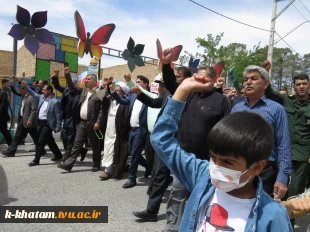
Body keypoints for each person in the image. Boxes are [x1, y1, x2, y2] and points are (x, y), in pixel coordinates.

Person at [150, 73, 293, 231]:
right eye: (213, 158)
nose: (216, 168)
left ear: (257, 167)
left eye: (228, 162)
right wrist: (183, 90)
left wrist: (282, 177)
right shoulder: (202, 176)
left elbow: (284, 145)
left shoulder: (273, 216)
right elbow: (161, 140)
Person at [160, 48, 231, 232]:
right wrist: (166, 64)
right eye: (197, 77)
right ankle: (171, 227)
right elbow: (170, 82)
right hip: (184, 157)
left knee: (200, 197)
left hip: (206, 161)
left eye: (204, 78)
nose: (199, 80)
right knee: (176, 194)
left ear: (214, 80)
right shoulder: (188, 94)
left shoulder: (222, 101)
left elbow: (224, 130)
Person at [232, 65, 292, 200]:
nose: (248, 82)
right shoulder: (236, 108)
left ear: (266, 84)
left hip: (265, 171)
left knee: (261, 210)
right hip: (238, 167)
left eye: (254, 78)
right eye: (246, 79)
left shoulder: (277, 109)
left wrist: (282, 178)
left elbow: (284, 145)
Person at [263, 60, 310, 223]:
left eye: (304, 83)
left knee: (294, 192)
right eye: (298, 84)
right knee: (274, 190)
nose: (302, 86)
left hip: (302, 156)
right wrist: (266, 73)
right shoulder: (287, 101)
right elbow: (270, 93)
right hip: (282, 153)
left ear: (309, 85)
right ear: (294, 87)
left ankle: (289, 224)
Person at [58, 67, 110, 172]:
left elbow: (103, 110)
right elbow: (72, 88)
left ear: (95, 81)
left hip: (93, 124)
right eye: (86, 79)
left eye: (88, 79)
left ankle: (96, 164)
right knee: (77, 144)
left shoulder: (99, 92)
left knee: (96, 146)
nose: (86, 80)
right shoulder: (84, 91)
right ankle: (68, 164)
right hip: (81, 123)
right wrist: (68, 76)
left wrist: (98, 122)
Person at [111, 74, 151, 188]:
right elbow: (123, 101)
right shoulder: (133, 96)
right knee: (132, 152)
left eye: (140, 82)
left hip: (140, 130)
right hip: (131, 130)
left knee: (134, 154)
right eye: (136, 82)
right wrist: (113, 92)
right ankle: (148, 166)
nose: (137, 84)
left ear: (146, 85)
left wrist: (130, 81)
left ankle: (132, 178)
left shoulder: (149, 97)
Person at [21, 82, 63, 166]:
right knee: (49, 140)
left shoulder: (55, 102)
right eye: (42, 90)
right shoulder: (41, 97)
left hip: (47, 124)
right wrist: (25, 86)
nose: (42, 91)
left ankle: (36, 160)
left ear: (49, 91)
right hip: (40, 123)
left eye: (44, 90)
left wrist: (58, 126)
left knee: (40, 141)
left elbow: (58, 116)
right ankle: (58, 155)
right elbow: (32, 93)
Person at [50, 69, 88, 161]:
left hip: (73, 118)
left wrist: (67, 76)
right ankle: (82, 150)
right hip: (66, 118)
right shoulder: (66, 91)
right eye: (69, 85)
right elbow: (57, 86)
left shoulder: (80, 93)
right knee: (64, 136)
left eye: (72, 85)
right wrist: (55, 77)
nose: (70, 87)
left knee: (70, 139)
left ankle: (66, 158)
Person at [98, 81, 130, 180]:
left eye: (118, 91)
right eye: (114, 90)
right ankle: (119, 166)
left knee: (114, 149)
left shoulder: (125, 102)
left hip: (119, 130)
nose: (115, 92)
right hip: (109, 129)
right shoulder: (109, 99)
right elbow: (99, 96)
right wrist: (104, 86)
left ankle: (108, 170)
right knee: (108, 148)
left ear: (123, 93)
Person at [2, 83, 40, 157]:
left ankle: (41, 149)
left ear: (25, 90)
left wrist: (30, 120)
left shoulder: (32, 98)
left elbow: (34, 110)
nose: (20, 91)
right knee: (17, 136)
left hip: (29, 121)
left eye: (21, 90)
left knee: (35, 137)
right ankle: (11, 151)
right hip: (23, 119)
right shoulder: (24, 97)